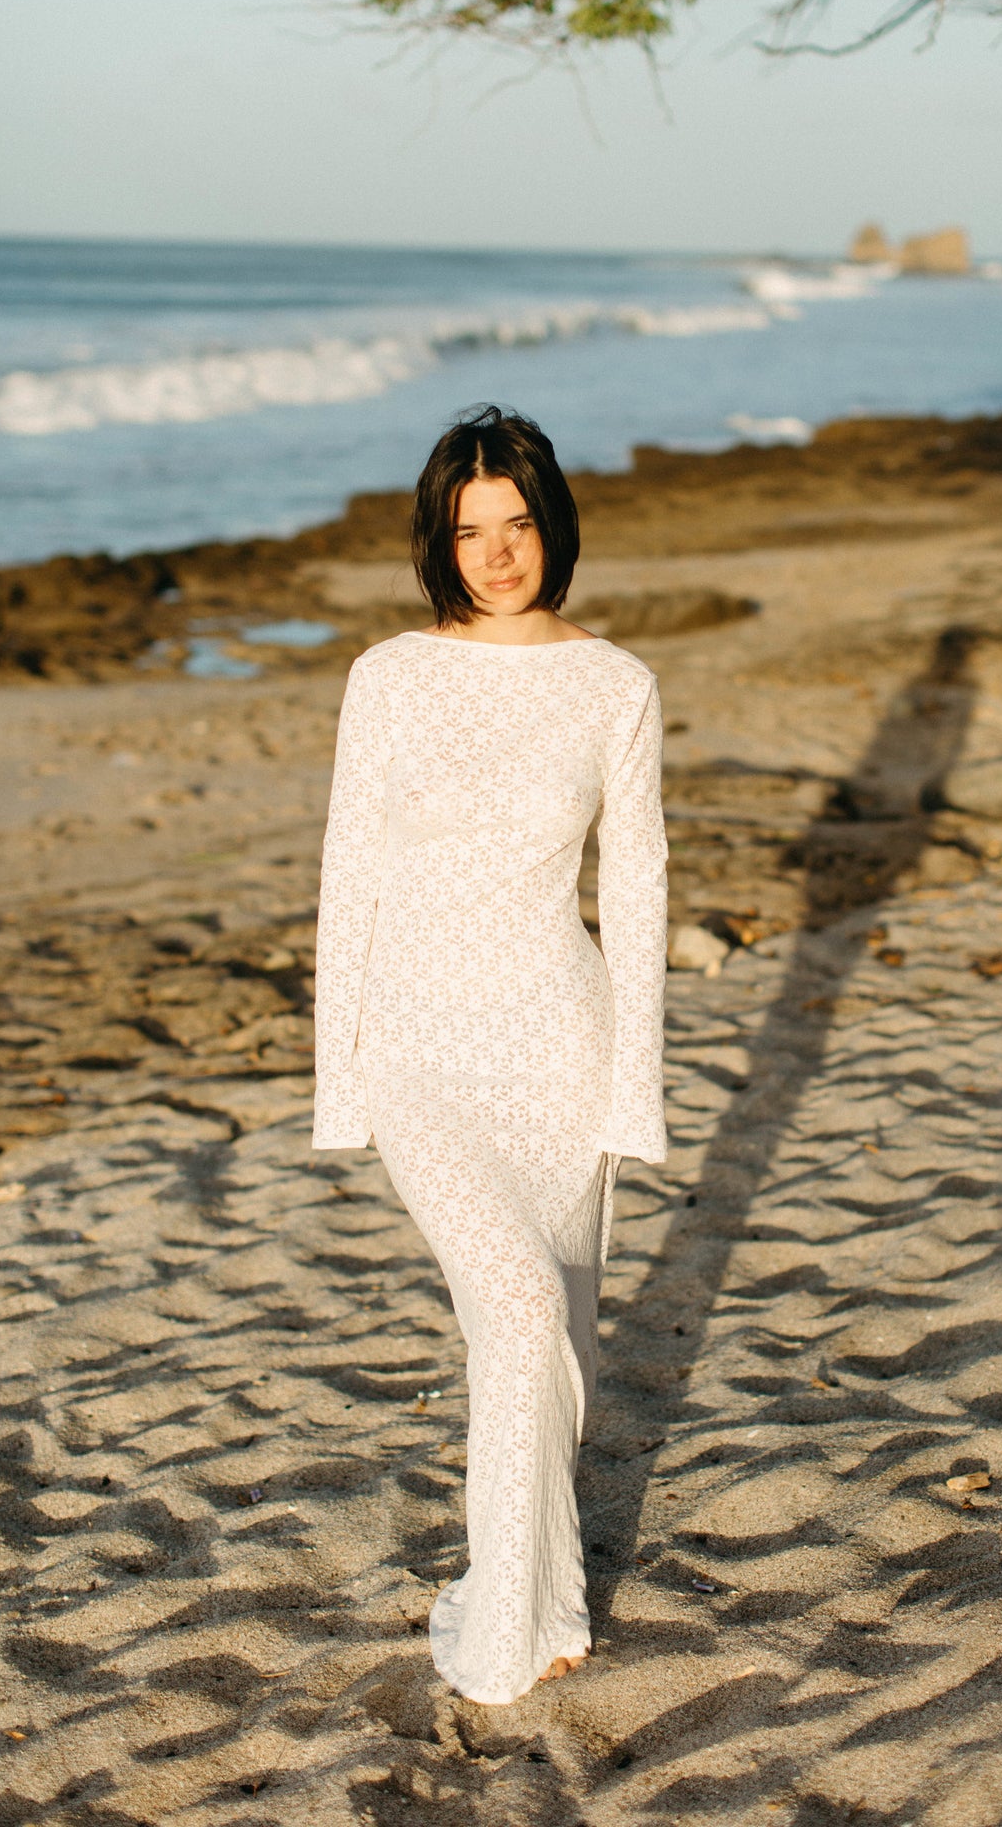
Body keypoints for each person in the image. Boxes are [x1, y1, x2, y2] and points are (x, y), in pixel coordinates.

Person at [312, 403, 668, 1706]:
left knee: (559, 1338)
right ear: (439, 542)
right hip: (418, 1049)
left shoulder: (616, 686)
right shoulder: (388, 677)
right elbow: (348, 877)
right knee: (517, 1315)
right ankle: (501, 1632)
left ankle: (549, 1600)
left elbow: (636, 895)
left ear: (552, 526)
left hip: (560, 1044)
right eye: (471, 532)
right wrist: (340, 1085)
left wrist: (632, 1094)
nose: (498, 553)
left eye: (517, 525)